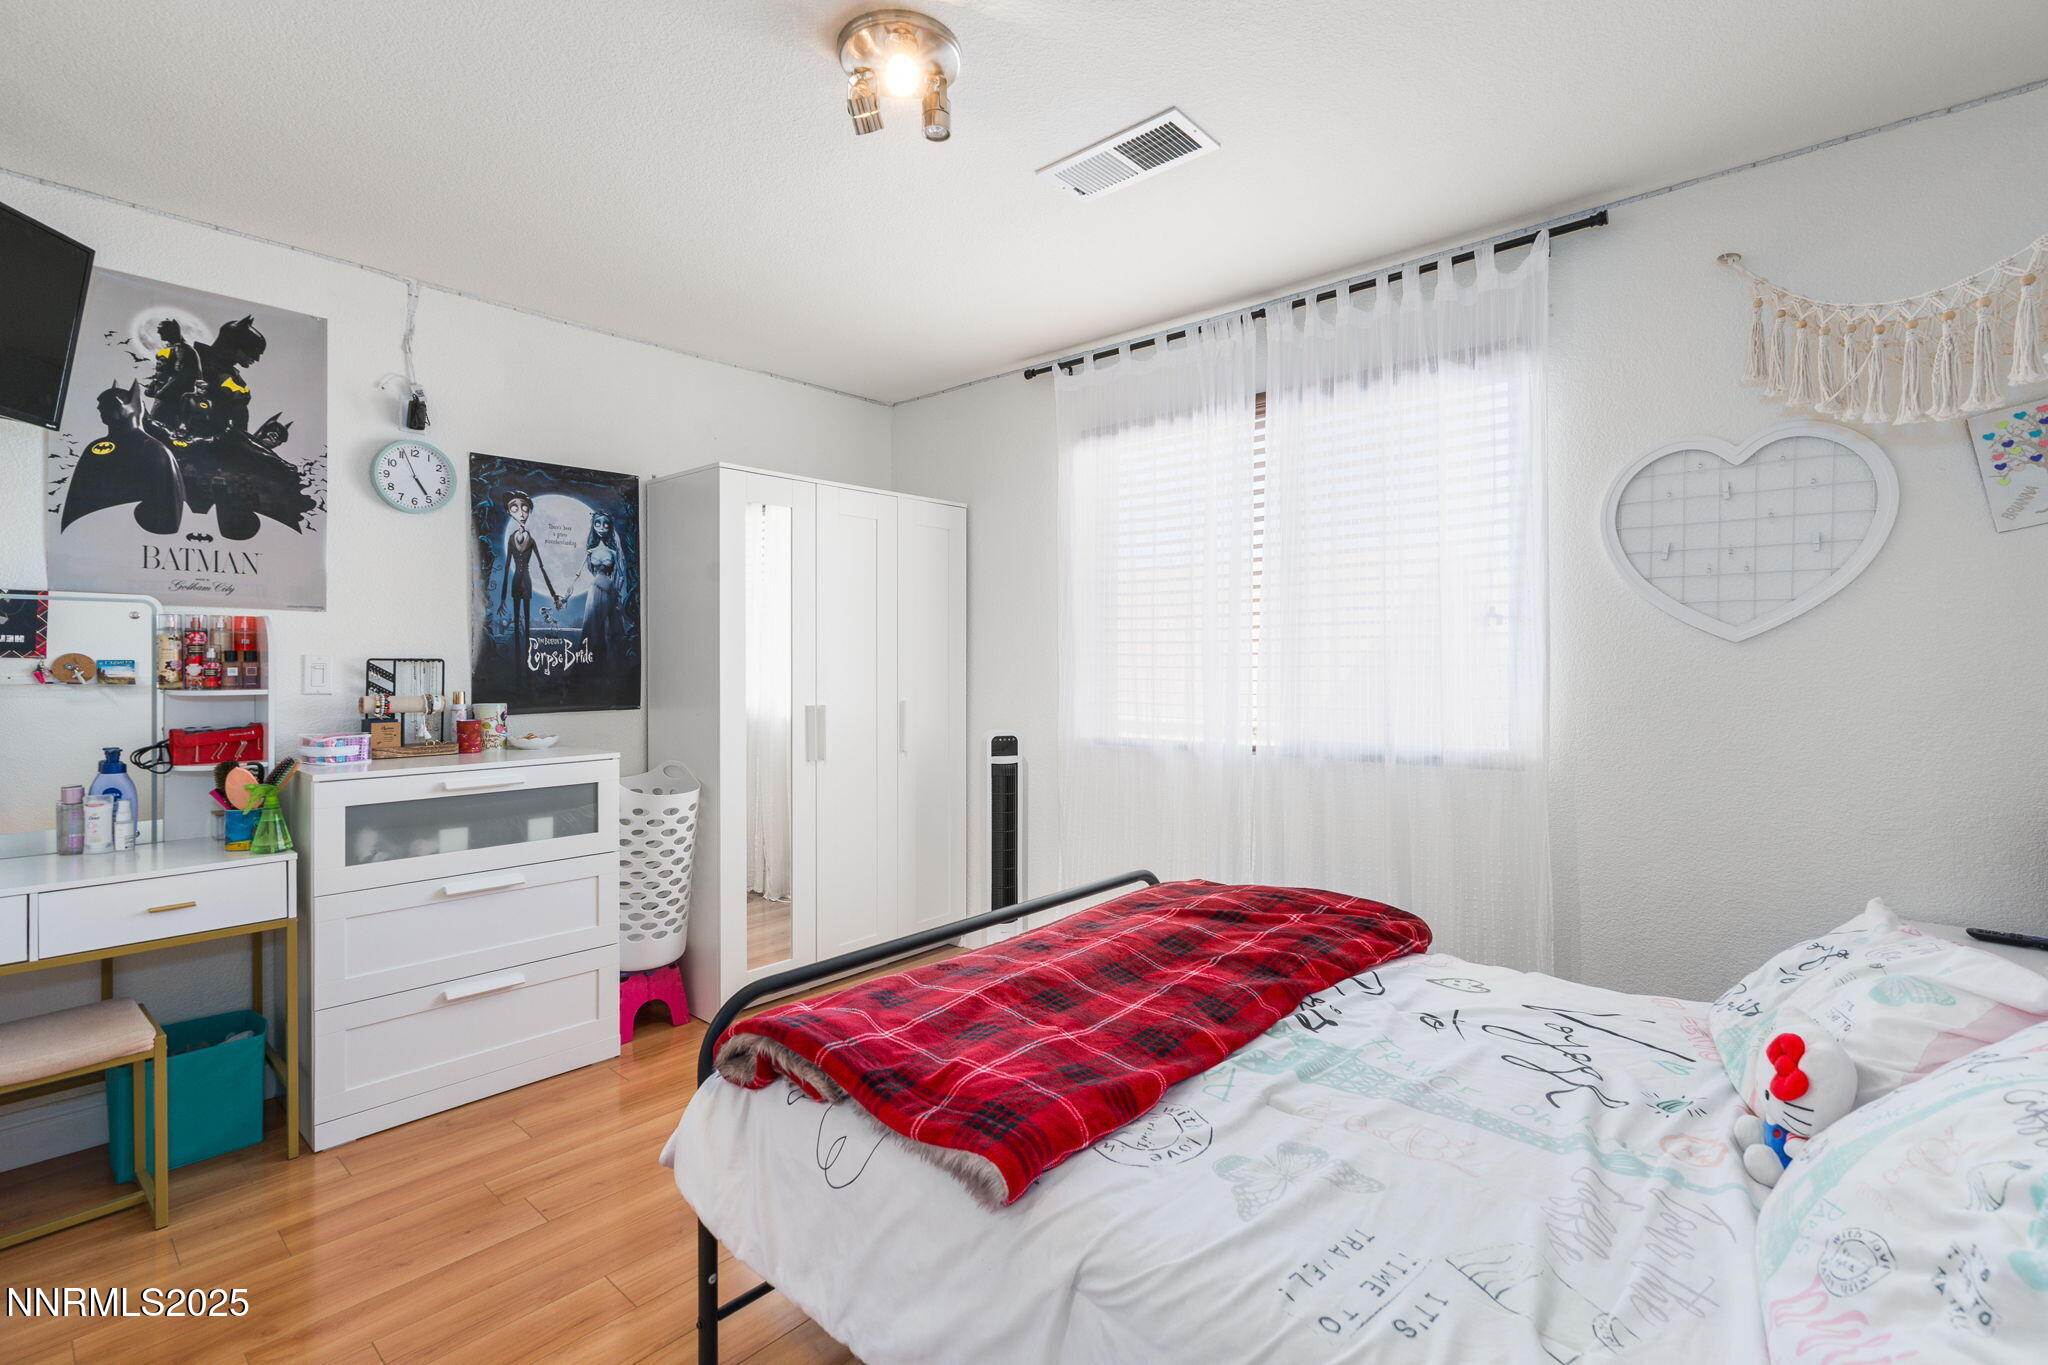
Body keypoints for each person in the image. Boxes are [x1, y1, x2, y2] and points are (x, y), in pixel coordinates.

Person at [499, 491, 563, 662]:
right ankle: (518, 658)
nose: (521, 513)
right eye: (515, 509)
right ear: (509, 512)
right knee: (516, 618)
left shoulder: (532, 540)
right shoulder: (511, 538)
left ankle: (528, 657)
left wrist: (553, 594)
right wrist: (502, 598)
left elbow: (542, 567)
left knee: (527, 621)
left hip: (526, 582)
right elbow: (506, 567)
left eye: (525, 509)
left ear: (529, 512)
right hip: (515, 583)